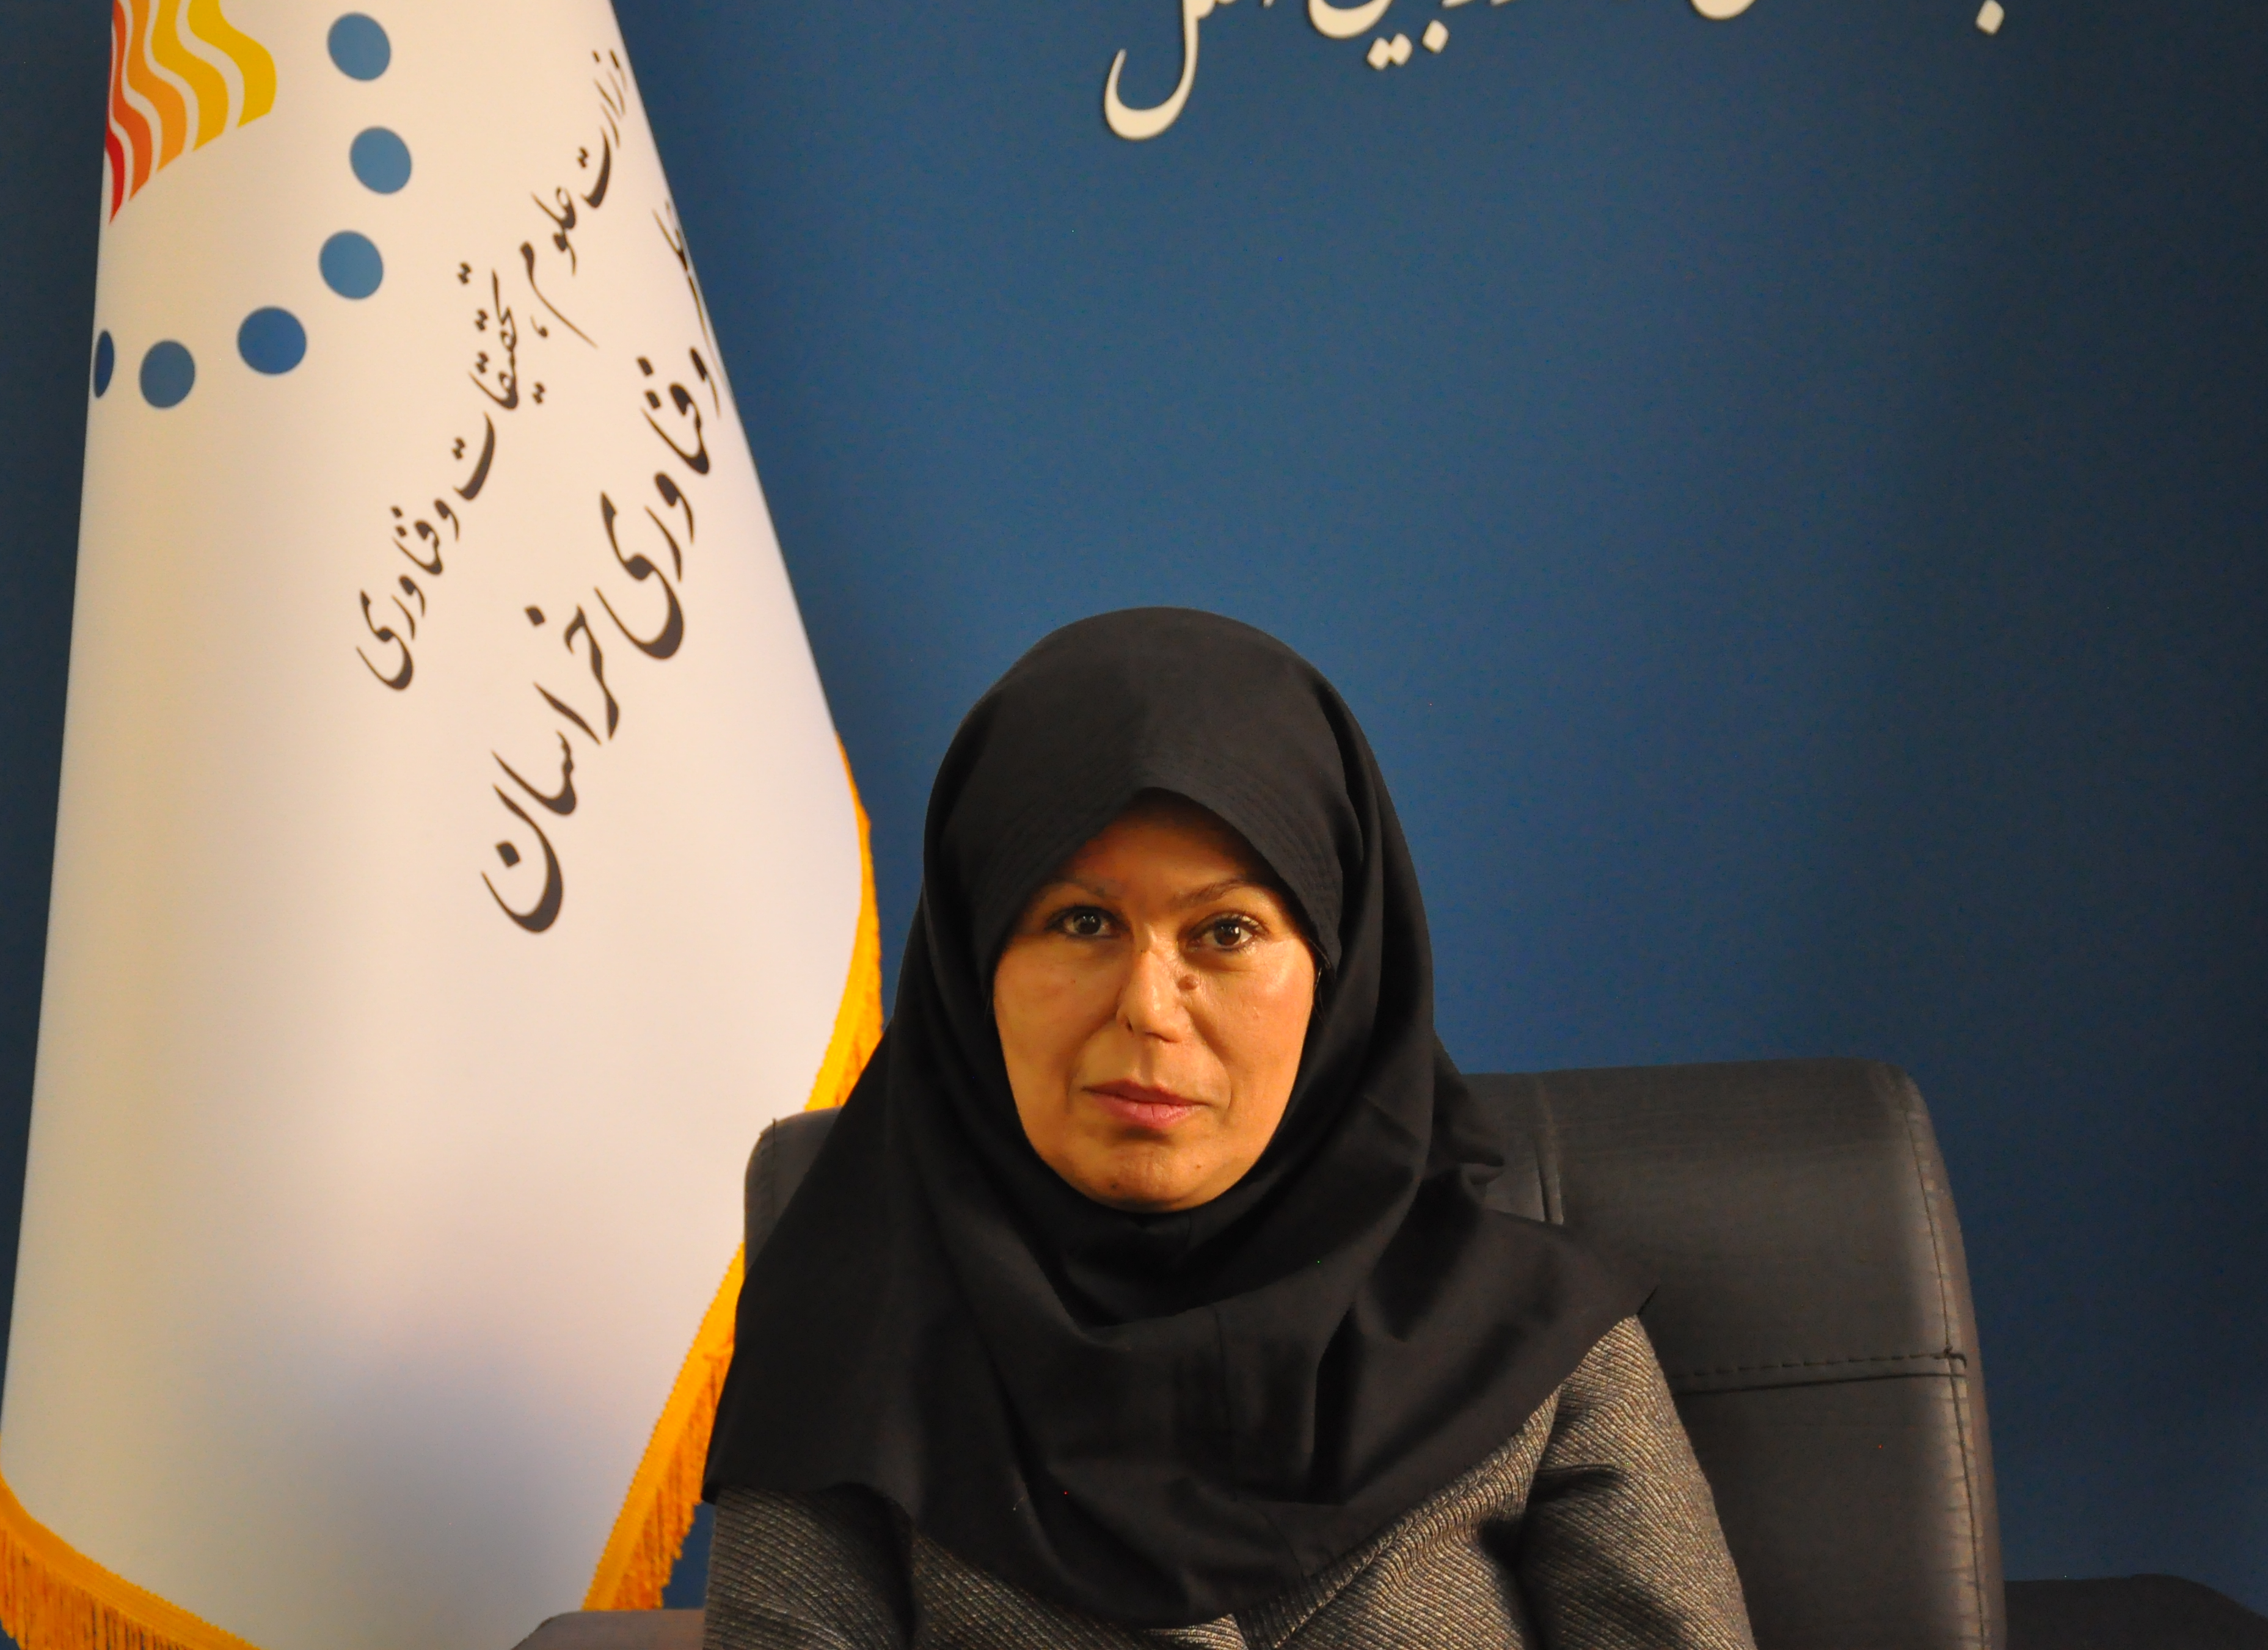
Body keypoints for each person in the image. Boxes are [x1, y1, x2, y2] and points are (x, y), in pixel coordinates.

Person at [701, 609, 1754, 1649]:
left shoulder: (1539, 1345)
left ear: (1336, 977)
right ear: (975, 970)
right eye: (1081, 922)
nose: (1148, 1007)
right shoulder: (844, 1344)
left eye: (1227, 930)